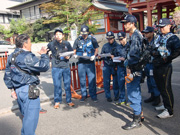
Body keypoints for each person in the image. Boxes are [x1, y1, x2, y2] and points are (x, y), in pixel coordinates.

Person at [4, 34, 49, 135]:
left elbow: (7, 75)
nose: (31, 44)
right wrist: (44, 55)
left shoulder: (11, 56)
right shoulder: (27, 56)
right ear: (25, 44)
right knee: (30, 121)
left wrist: (12, 90)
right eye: (29, 42)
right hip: (28, 90)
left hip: (18, 90)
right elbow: (44, 66)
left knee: (26, 117)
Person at [153, 18, 180, 118]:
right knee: (160, 86)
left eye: (163, 27)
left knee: (166, 88)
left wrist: (168, 58)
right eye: (160, 27)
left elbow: (178, 50)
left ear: (169, 26)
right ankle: (165, 104)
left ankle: (169, 110)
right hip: (156, 63)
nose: (161, 29)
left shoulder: (173, 38)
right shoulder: (159, 36)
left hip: (165, 66)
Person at [120, 15, 143, 130]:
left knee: (133, 93)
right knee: (136, 92)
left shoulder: (135, 36)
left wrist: (128, 67)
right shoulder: (136, 35)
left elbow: (133, 56)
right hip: (137, 68)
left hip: (133, 69)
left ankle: (136, 120)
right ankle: (139, 114)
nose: (124, 25)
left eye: (126, 23)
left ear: (132, 23)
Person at [47, 28, 75, 109]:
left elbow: (72, 52)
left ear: (63, 35)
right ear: (55, 36)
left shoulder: (67, 43)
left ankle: (69, 100)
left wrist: (68, 56)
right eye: (56, 34)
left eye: (59, 34)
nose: (58, 36)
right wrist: (50, 61)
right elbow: (46, 52)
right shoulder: (51, 44)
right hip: (56, 67)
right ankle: (57, 101)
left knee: (67, 84)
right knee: (57, 85)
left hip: (65, 66)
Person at [73, 25, 99, 102]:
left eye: (85, 33)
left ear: (88, 32)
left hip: (90, 62)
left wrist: (94, 55)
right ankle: (84, 95)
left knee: (92, 80)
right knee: (82, 80)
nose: (84, 35)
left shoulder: (92, 39)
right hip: (81, 63)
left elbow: (96, 49)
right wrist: (75, 55)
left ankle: (93, 96)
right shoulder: (77, 40)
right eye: (82, 33)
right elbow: (74, 49)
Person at [142, 26, 161, 106]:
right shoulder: (145, 41)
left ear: (152, 32)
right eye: (145, 33)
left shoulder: (157, 41)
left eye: (147, 33)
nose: (145, 34)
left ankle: (157, 98)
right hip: (147, 63)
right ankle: (152, 95)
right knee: (149, 81)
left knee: (154, 81)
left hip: (154, 64)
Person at [100, 31, 119, 102]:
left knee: (115, 82)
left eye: (111, 38)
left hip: (114, 65)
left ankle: (116, 95)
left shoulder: (117, 46)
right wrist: (100, 56)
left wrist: (114, 57)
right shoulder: (105, 46)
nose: (109, 40)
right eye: (108, 39)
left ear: (113, 38)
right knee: (106, 81)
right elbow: (102, 55)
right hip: (106, 65)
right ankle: (108, 96)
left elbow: (120, 56)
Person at [112, 31, 129, 105]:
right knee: (121, 83)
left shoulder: (130, 46)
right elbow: (114, 55)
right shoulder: (118, 47)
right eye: (119, 40)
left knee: (129, 84)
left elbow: (133, 56)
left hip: (128, 67)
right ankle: (122, 99)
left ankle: (130, 100)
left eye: (122, 39)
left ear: (125, 37)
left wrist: (125, 58)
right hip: (120, 67)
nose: (120, 41)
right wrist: (115, 58)